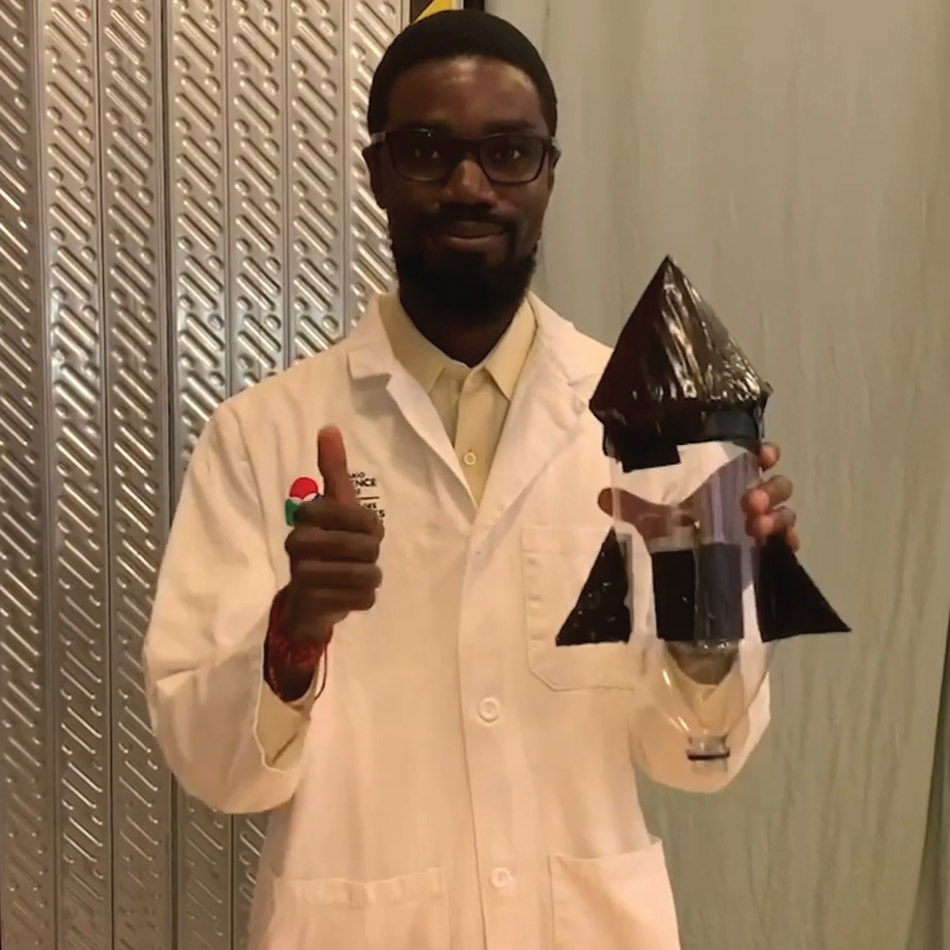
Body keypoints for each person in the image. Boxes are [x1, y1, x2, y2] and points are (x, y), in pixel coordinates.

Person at [144, 11, 798, 950]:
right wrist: (293, 635)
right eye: (425, 150)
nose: (468, 184)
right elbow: (215, 769)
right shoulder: (260, 434)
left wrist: (715, 617)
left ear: (547, 175)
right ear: (375, 173)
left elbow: (699, 759)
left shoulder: (651, 428)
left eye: (508, 152)